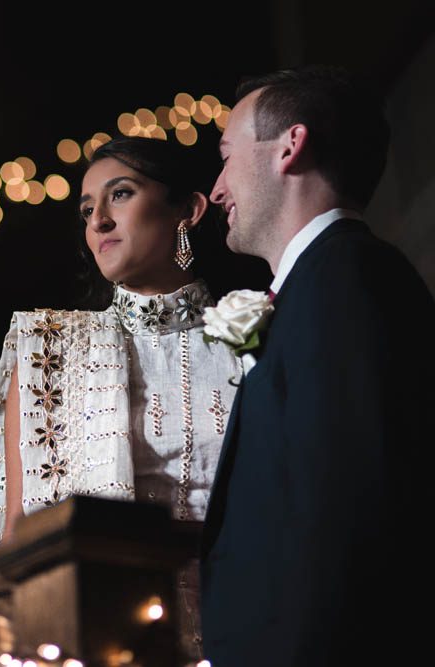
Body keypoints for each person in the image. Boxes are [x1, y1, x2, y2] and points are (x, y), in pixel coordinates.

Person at [0, 136, 248, 659]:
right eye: (87, 209)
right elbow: (19, 540)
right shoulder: (48, 349)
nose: (97, 223)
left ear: (189, 208)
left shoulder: (254, 337)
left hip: (252, 623)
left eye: (120, 194)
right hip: (108, 636)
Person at [201, 65, 435, 666]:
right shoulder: (316, 286)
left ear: (290, 146)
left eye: (227, 155)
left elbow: (347, 514)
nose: (218, 188)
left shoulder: (348, 281)